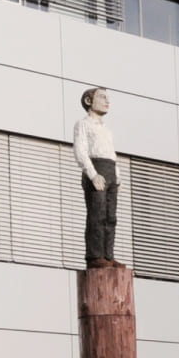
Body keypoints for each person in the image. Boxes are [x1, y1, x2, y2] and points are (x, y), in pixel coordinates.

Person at [73, 87, 120, 267]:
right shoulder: (83, 124)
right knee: (97, 214)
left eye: (107, 97)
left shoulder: (107, 130)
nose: (107, 101)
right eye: (101, 97)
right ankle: (95, 256)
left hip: (110, 169)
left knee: (111, 216)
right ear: (88, 101)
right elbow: (80, 151)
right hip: (96, 168)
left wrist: (117, 175)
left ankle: (108, 255)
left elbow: (112, 153)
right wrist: (92, 174)